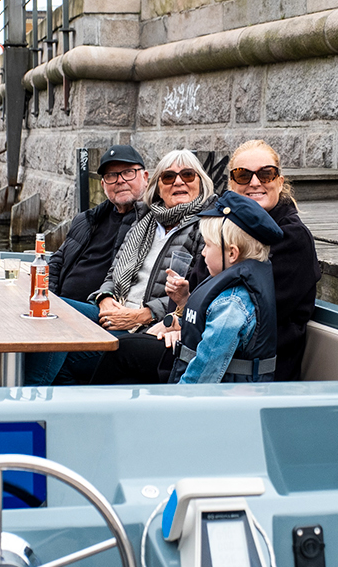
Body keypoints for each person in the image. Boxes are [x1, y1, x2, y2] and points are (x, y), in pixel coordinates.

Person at [185, 140, 319, 381]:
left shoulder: (293, 238)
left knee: (123, 358)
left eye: (266, 174)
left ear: (279, 181)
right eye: (243, 175)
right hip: (211, 355)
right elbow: (198, 281)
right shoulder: (225, 228)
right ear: (231, 183)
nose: (255, 182)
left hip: (254, 377)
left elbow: (240, 312)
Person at [84, 149, 214, 384]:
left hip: (152, 324)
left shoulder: (206, 228)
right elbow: (113, 272)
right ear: (158, 187)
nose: (178, 182)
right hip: (115, 307)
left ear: (201, 183)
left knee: (66, 350)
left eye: (187, 175)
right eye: (168, 177)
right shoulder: (144, 222)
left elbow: (196, 291)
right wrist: (104, 297)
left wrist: (142, 315)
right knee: (55, 314)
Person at [29, 144, 149, 386]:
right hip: (62, 309)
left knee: (51, 315)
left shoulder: (150, 222)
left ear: (145, 177)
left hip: (99, 313)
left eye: (128, 172)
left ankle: (28, 401)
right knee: (29, 312)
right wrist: (48, 294)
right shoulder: (87, 219)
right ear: (103, 184)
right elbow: (58, 261)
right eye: (111, 176)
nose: (120, 181)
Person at [168, 191, 283, 384]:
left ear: (232, 253)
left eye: (207, 245)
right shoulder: (230, 288)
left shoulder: (231, 305)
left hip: (223, 405)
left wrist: (178, 401)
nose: (203, 252)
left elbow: (204, 373)